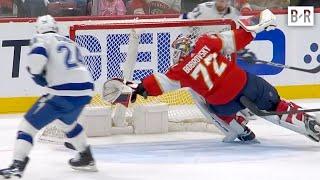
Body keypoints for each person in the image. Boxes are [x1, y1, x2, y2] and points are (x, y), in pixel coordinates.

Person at [103, 9, 320, 143]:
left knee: (205, 103)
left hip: (224, 104)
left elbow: (156, 85)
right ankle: (303, 120)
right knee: (275, 103)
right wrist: (256, 27)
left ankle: (240, 128)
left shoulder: (180, 71)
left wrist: (137, 88)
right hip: (246, 86)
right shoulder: (206, 43)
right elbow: (237, 39)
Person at [0, 15, 97, 179]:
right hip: (85, 91)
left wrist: (36, 73)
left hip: (61, 92)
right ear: (56, 27)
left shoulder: (40, 38)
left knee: (27, 126)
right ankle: (86, 156)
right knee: (66, 123)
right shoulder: (69, 42)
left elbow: (37, 60)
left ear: (38, 28)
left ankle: (17, 166)